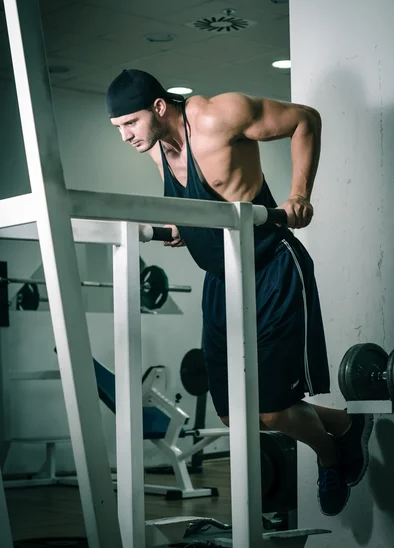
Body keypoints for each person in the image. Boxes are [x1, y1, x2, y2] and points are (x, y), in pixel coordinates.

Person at [105, 68, 373, 516]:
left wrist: (298, 194)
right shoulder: (158, 150)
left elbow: (305, 119)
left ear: (157, 107)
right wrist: (184, 230)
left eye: (130, 123)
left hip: (271, 268)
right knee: (234, 414)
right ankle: (345, 425)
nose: (126, 136)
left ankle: (329, 455)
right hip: (221, 280)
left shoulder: (216, 116)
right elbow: (207, 204)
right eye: (118, 129)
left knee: (270, 408)